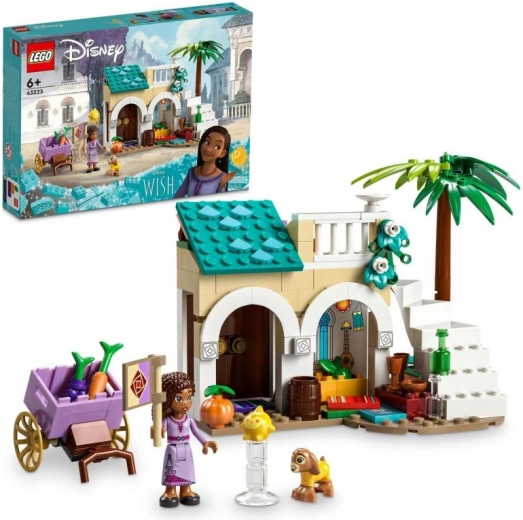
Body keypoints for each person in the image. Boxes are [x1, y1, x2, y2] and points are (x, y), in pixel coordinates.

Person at [157, 372, 217, 508]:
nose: (185, 403)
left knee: (187, 469)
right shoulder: (168, 420)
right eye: (179, 399)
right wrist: (157, 430)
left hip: (186, 448)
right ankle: (170, 491)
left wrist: (205, 442)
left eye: (189, 397)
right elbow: (161, 431)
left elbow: (196, 432)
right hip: (173, 449)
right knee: (171, 469)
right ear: (168, 400)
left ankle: (186, 490)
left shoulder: (189, 420)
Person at [174, 125, 236, 198]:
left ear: (222, 153)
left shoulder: (222, 177)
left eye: (217, 147)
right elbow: (178, 196)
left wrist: (222, 185)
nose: (208, 149)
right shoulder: (191, 172)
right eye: (207, 142)